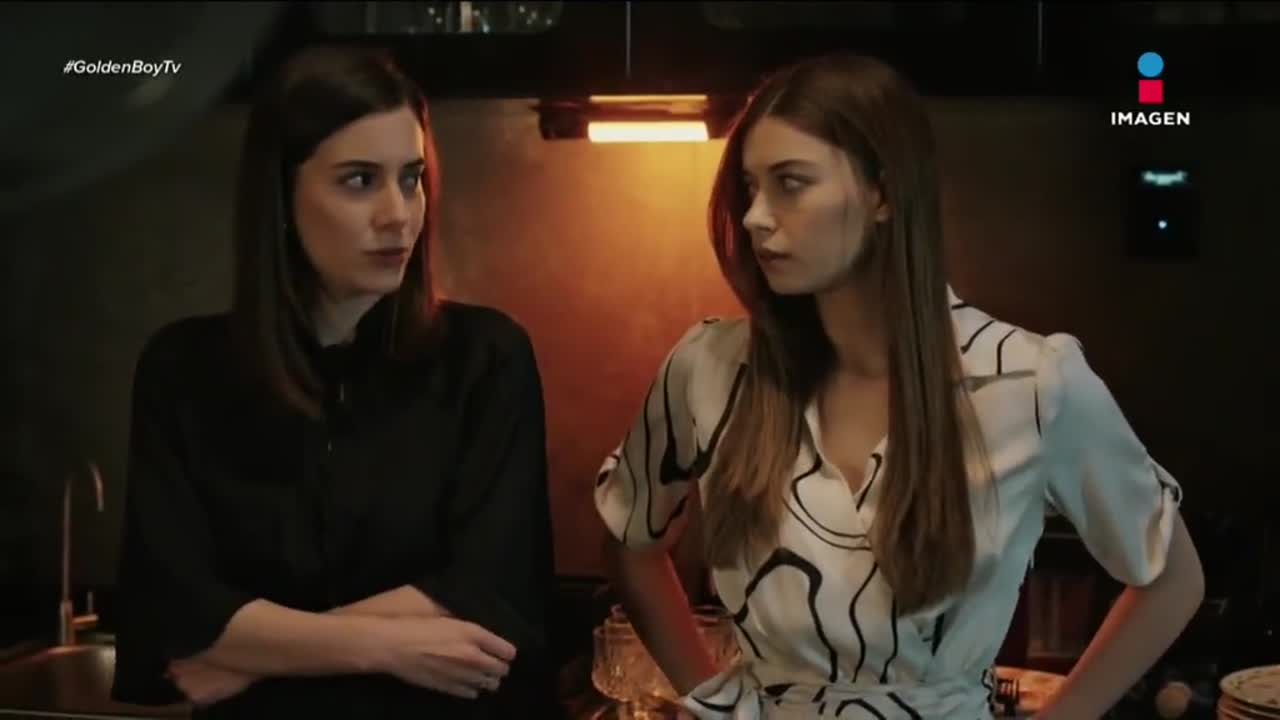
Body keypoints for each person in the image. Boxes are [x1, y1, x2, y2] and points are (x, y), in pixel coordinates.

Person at [593, 52, 1205, 719]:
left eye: (791, 183)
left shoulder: (1028, 382)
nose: (755, 217)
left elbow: (1172, 579)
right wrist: (710, 699)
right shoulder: (710, 369)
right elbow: (630, 540)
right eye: (749, 187)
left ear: (882, 194)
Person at [111, 45, 557, 718]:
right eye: (358, 181)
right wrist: (388, 648)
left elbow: (491, 592)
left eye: (411, 178)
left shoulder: (485, 358)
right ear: (281, 197)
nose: (398, 215)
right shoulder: (184, 372)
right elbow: (171, 613)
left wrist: (249, 657)